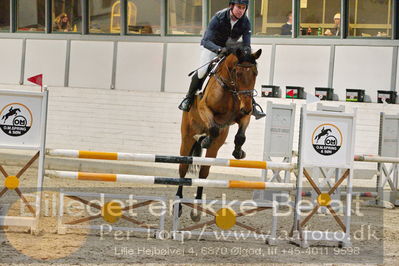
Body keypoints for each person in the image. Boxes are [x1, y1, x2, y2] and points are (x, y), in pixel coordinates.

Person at [178, 0, 266, 120]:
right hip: (212, 47)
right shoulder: (218, 17)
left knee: (244, 71)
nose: (241, 10)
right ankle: (188, 98)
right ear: (231, 6)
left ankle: (253, 104)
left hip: (230, 48)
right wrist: (219, 50)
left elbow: (247, 43)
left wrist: (246, 56)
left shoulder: (245, 21)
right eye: (239, 7)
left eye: (244, 8)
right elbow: (207, 40)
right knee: (203, 70)